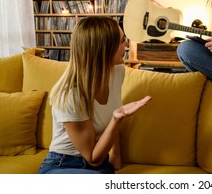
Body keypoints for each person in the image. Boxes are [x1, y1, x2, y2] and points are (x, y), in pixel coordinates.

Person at [38, 16, 151, 174]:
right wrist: (117, 118)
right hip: (64, 165)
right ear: (104, 49)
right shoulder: (71, 95)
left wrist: (116, 155)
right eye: (122, 40)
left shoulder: (117, 72)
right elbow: (92, 157)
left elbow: (100, 156)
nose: (126, 44)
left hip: (100, 165)